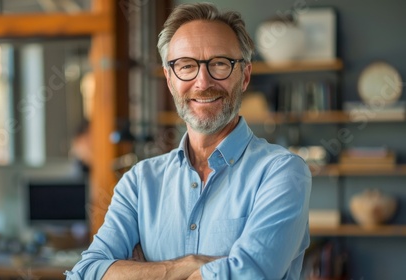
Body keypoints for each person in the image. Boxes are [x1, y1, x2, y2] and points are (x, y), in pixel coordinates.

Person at [65, 3, 311, 279]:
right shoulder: (139, 182)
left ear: (245, 76)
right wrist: (184, 266)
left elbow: (249, 275)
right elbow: (84, 273)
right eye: (186, 66)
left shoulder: (281, 172)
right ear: (170, 79)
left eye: (219, 64)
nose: (203, 82)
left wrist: (141, 271)